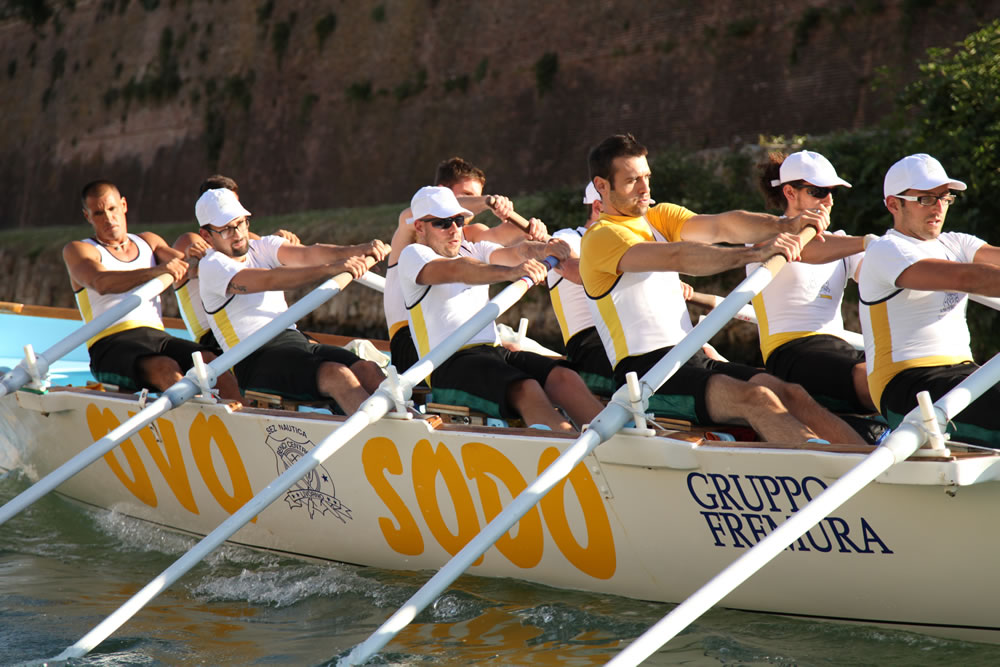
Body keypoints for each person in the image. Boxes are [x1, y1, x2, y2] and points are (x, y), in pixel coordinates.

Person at [579, 134, 866, 445]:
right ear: (602, 186)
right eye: (632, 181)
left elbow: (724, 226)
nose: (645, 189)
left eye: (647, 177)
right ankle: (825, 469)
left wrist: (786, 226)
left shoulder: (658, 217)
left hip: (689, 357)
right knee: (756, 398)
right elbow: (678, 256)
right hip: (646, 375)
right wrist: (754, 254)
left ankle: (861, 461)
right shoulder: (601, 237)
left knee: (790, 393)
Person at [398, 186, 603, 432]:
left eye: (458, 220)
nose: (454, 229)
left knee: (564, 378)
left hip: (492, 352)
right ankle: (574, 452)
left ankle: (614, 445)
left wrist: (543, 249)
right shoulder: (413, 255)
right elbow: (460, 270)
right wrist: (511, 273)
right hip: (447, 364)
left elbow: (518, 251)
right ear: (420, 227)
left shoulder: (475, 248)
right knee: (526, 388)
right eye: (442, 223)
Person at [196, 187, 388, 413]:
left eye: (241, 223)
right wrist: (331, 270)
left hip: (294, 342)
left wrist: (360, 249)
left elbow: (309, 254)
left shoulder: (262, 247)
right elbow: (270, 280)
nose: (238, 234)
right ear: (206, 235)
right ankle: (379, 442)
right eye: (226, 230)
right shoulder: (211, 266)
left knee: (368, 370)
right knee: (338, 376)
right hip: (254, 359)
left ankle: (403, 433)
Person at [859, 153, 1000, 446]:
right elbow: (967, 278)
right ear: (893, 204)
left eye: (944, 198)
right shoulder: (886, 250)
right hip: (908, 387)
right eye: (925, 199)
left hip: (964, 375)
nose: (938, 207)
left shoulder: (955, 242)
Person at [63, 180, 241, 398]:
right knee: (165, 368)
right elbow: (101, 282)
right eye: (98, 213)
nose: (109, 218)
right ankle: (192, 422)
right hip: (109, 345)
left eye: (112, 209)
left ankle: (245, 421)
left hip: (156, 337)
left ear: (124, 205)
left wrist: (199, 254)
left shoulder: (149, 241)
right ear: (87, 216)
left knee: (212, 363)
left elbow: (185, 267)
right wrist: (156, 271)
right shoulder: (79, 250)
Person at [385, 157, 547, 373]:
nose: (454, 224)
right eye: (468, 195)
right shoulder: (413, 224)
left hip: (463, 339)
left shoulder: (469, 235)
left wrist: (533, 230)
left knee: (518, 355)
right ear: (441, 192)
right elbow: (411, 216)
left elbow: (503, 236)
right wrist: (487, 202)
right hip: (412, 341)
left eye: (458, 220)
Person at [753, 150, 875, 414]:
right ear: (789, 193)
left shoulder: (842, 241)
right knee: (877, 380)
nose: (829, 200)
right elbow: (806, 251)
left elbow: (881, 278)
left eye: (832, 192)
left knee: (897, 371)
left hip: (837, 348)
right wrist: (866, 242)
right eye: (818, 192)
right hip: (789, 353)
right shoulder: (764, 237)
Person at [172, 174, 302, 353]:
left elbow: (269, 252)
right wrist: (190, 258)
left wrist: (281, 242)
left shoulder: (247, 239)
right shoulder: (190, 241)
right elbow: (183, 265)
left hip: (259, 329)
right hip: (212, 337)